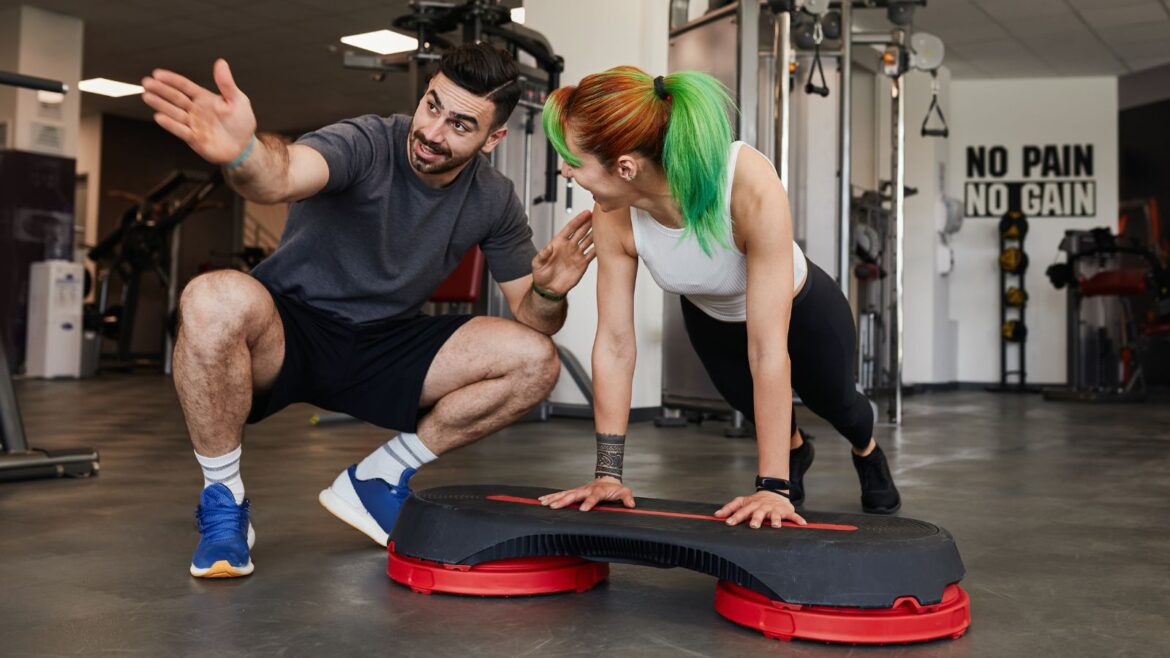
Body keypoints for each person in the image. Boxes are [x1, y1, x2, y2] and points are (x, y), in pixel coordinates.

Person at [140, 43, 596, 578]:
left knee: (535, 359)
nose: (433, 131)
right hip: (290, 330)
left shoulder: (493, 198)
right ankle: (223, 501)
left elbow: (534, 319)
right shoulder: (366, 142)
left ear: (493, 139)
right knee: (211, 297)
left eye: (459, 125)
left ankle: (378, 478)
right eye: (432, 106)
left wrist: (549, 293)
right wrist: (244, 154)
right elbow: (281, 175)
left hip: (385, 342)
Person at [535, 66, 900, 529]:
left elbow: (768, 349)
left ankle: (867, 452)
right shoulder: (613, 213)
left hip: (803, 309)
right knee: (751, 406)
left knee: (841, 407)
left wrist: (772, 490)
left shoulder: (744, 180)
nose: (565, 171)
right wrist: (608, 475)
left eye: (572, 160)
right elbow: (614, 343)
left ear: (625, 167)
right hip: (712, 320)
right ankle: (794, 451)